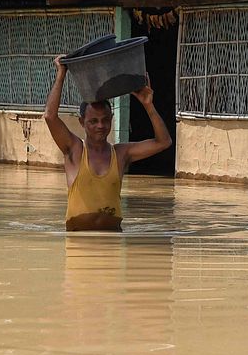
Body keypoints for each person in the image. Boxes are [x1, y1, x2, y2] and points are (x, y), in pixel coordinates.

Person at [44, 55, 172, 231]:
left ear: (112, 119)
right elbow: (50, 116)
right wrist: (61, 73)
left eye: (105, 120)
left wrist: (148, 105)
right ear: (82, 122)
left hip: (112, 239)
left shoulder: (121, 154)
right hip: (78, 243)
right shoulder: (74, 149)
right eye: (93, 121)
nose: (100, 126)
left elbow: (163, 142)